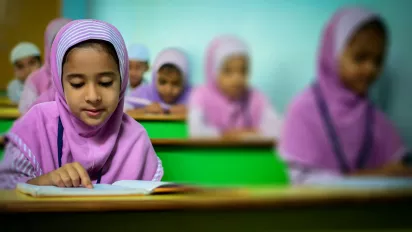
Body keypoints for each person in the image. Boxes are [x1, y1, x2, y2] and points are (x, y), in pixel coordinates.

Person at [0, 19, 163, 189]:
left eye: (106, 83)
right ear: (59, 82)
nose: (93, 97)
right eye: (77, 84)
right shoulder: (36, 125)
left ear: (122, 81)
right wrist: (42, 182)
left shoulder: (135, 139)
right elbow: (4, 188)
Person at [278, 7, 410, 185]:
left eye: (378, 60)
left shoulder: (372, 115)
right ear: (332, 55)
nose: (371, 68)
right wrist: (374, 175)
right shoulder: (303, 109)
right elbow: (302, 182)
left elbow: (399, 167)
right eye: (360, 58)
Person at [188, 35, 282, 138]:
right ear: (214, 72)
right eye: (228, 71)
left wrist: (238, 135)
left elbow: (278, 129)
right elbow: (195, 131)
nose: (237, 78)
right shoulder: (201, 95)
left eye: (243, 71)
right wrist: (228, 135)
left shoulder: (256, 97)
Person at [19, 18, 71, 114]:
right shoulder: (35, 79)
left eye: (69, 43)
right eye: (57, 43)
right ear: (49, 46)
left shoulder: (87, 75)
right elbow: (26, 114)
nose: (63, 49)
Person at [125, 48, 191, 115]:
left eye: (175, 83)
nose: (168, 90)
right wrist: (145, 110)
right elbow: (122, 114)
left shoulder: (192, 96)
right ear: (155, 79)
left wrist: (191, 112)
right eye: (163, 82)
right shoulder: (141, 93)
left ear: (184, 82)